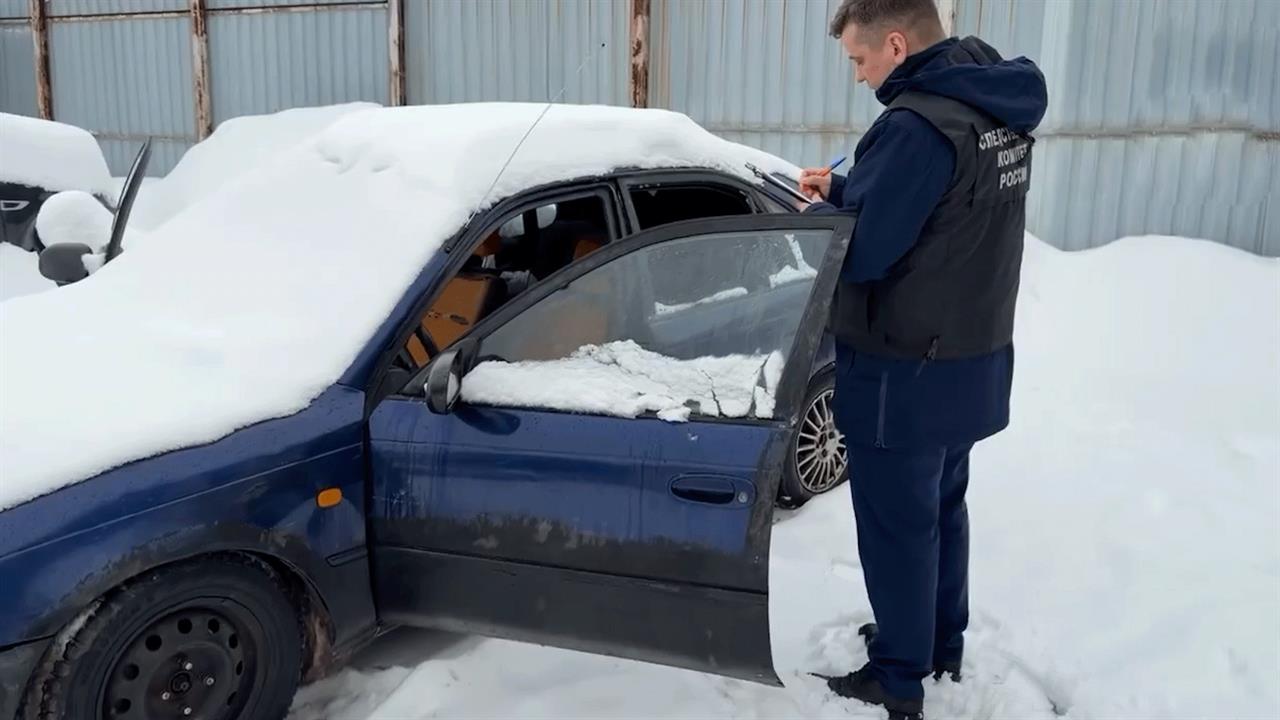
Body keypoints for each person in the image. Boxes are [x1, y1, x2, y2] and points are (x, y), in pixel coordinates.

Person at [796, 1, 1047, 718]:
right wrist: (846, 191)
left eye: (860, 59)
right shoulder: (991, 106)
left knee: (897, 526)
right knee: (941, 508)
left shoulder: (913, 126)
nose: (859, 74)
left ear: (897, 44)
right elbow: (942, 213)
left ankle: (899, 675)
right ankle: (939, 640)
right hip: (971, 356)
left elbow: (867, 253)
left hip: (903, 366)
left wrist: (819, 219)